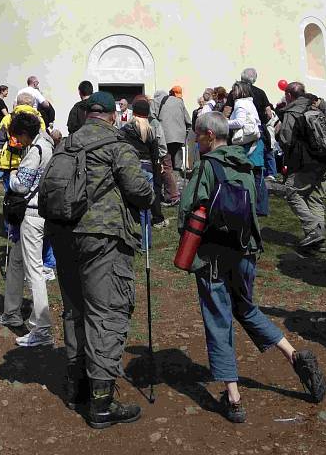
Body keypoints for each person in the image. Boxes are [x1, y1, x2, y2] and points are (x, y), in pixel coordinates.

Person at [179, 112, 326, 422]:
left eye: (197, 134)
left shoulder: (207, 166)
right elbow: (256, 211)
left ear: (208, 135)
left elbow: (187, 213)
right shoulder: (246, 165)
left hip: (213, 257)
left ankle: (233, 397)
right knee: (245, 308)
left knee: (219, 318)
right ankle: (294, 355)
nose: (195, 139)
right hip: (245, 252)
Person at [46, 91, 154, 429]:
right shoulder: (117, 146)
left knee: (75, 309)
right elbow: (140, 191)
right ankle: (102, 402)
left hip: (63, 235)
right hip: (103, 237)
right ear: (111, 115)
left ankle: (76, 383)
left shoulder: (66, 144)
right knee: (105, 312)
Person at [0, 112, 55, 346]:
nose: (16, 142)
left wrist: (11, 175)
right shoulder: (47, 143)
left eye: (17, 137)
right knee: (17, 263)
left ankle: (42, 328)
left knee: (34, 272)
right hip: (39, 213)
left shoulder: (35, 151)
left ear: (23, 133)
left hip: (31, 214)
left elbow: (21, 185)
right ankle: (11, 312)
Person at [278, 82, 326, 252]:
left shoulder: (292, 111)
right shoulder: (315, 108)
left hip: (304, 162)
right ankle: (319, 238)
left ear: (288, 95)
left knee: (292, 191)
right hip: (324, 159)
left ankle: (312, 229)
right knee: (315, 198)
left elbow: (286, 139)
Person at [119, 96, 167, 232]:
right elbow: (155, 154)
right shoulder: (151, 131)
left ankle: (132, 228)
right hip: (148, 169)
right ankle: (147, 237)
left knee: (130, 200)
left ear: (133, 112)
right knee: (147, 204)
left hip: (131, 168)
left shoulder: (125, 130)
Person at [227, 81, 268, 217]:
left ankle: (254, 206)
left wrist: (224, 122)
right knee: (257, 174)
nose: (232, 93)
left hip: (249, 143)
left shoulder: (240, 104)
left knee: (252, 174)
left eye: (234, 90)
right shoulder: (249, 102)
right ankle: (259, 206)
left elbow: (240, 122)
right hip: (255, 141)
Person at [154, 86, 191, 204]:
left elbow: (152, 119)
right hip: (179, 137)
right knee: (175, 166)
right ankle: (177, 192)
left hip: (166, 136)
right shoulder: (179, 101)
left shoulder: (156, 101)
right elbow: (188, 121)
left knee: (166, 166)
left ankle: (173, 196)